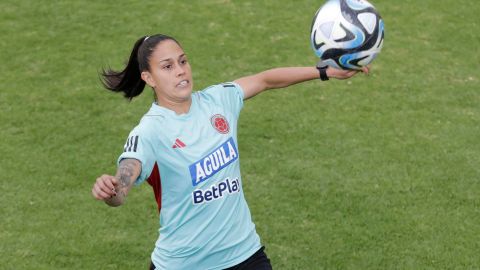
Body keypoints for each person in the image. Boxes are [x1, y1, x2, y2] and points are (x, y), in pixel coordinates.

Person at [91, 34, 368, 270]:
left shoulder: (218, 101)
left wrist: (324, 71)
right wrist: (113, 190)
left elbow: (265, 80)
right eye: (167, 66)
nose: (180, 70)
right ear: (148, 77)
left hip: (244, 253)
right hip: (184, 263)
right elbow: (124, 181)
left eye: (183, 61)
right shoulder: (150, 131)